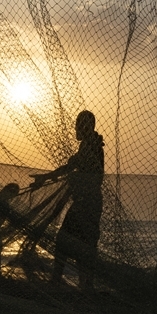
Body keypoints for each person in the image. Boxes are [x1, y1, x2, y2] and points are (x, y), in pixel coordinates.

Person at [32, 110, 105, 289]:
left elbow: (77, 168)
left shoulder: (90, 145)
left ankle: (61, 282)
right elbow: (75, 167)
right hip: (88, 202)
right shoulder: (91, 144)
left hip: (87, 204)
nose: (75, 128)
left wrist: (48, 177)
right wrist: (49, 177)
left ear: (86, 126)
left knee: (64, 241)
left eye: (78, 124)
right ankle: (85, 287)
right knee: (83, 246)